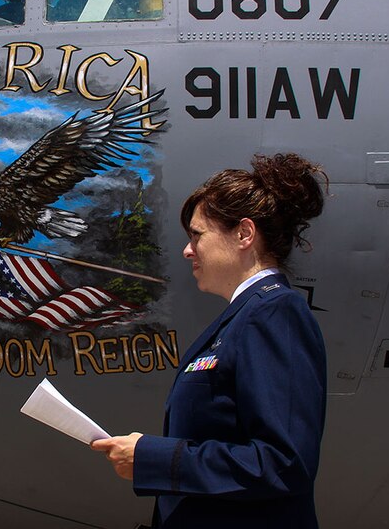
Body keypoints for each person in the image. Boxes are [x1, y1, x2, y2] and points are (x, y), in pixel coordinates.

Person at [92, 153, 329, 529]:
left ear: (244, 234)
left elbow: (283, 464)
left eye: (197, 235)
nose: (187, 250)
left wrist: (153, 458)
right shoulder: (242, 318)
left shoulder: (275, 314)